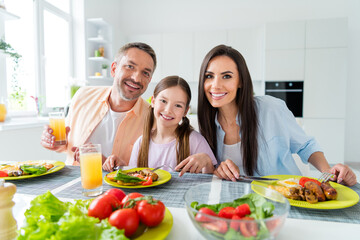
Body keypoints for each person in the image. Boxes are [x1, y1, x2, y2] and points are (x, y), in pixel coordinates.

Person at [197, 44, 357, 186]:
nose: (215, 85)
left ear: (241, 81)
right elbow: (214, 169)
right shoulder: (206, 122)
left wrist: (328, 170)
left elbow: (305, 145)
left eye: (226, 76)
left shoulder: (271, 109)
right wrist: (218, 169)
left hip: (289, 195)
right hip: (243, 200)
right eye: (209, 76)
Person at [40, 42, 157, 170]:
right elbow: (64, 144)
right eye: (130, 66)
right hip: (71, 180)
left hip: (119, 188)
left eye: (145, 73)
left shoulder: (153, 118)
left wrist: (105, 163)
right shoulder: (83, 95)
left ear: (149, 79)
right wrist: (55, 142)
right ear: (113, 69)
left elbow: (148, 171)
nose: (136, 78)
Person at [127, 75, 217, 176]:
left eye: (178, 105)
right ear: (153, 101)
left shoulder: (194, 140)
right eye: (163, 101)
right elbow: (133, 179)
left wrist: (207, 161)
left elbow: (211, 179)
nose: (168, 110)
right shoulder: (140, 143)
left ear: (185, 111)